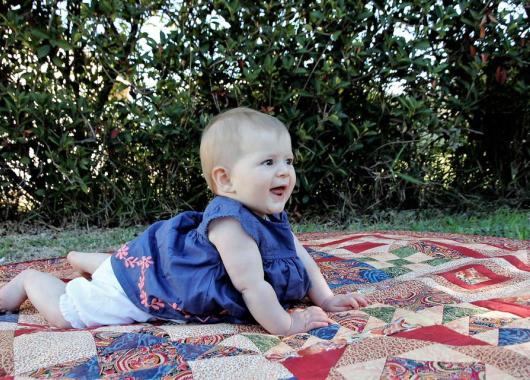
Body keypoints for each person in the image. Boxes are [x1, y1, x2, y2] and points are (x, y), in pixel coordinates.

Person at [0, 107, 368, 335]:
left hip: (161, 263)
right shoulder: (232, 226)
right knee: (71, 315)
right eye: (268, 162)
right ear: (225, 180)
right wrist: (288, 325)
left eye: (288, 161)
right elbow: (253, 287)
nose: (284, 171)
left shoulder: (269, 214)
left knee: (125, 265)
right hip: (151, 281)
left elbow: (298, 254)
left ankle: (92, 261)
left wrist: (326, 297)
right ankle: (30, 282)